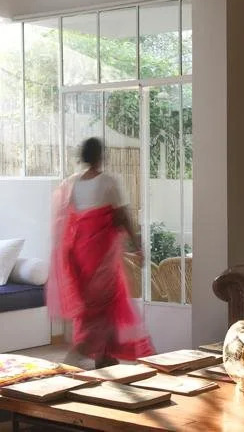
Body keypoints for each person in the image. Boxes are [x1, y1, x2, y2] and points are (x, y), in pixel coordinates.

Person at [47, 137, 154, 369]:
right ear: (100, 156)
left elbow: (69, 220)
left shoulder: (72, 184)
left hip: (79, 253)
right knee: (106, 304)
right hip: (100, 254)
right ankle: (76, 355)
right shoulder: (108, 181)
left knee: (92, 306)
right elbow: (122, 216)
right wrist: (137, 246)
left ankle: (103, 357)